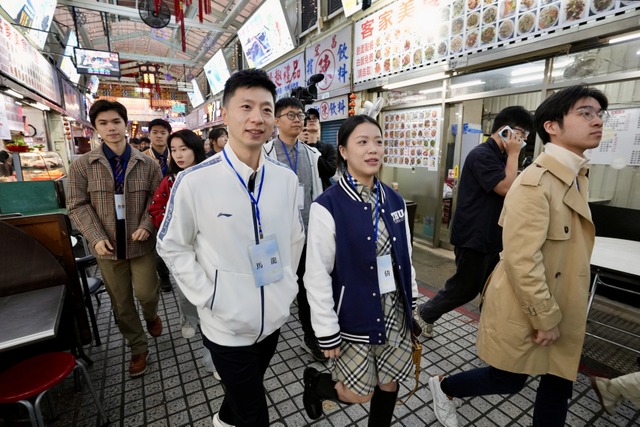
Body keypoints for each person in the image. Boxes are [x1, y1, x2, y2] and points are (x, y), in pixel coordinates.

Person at [428, 85, 609, 427]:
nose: (597, 121)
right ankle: (443, 383)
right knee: (508, 377)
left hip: (557, 301)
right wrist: (544, 316)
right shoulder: (529, 179)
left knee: (557, 384)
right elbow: (521, 259)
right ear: (552, 126)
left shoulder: (575, 177)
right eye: (586, 113)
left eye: (600, 114)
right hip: (519, 288)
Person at [156, 69, 305, 427]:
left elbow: (294, 238)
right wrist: (210, 297)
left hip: (272, 320)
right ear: (224, 115)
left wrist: (287, 288)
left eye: (266, 109)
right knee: (255, 413)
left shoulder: (286, 180)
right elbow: (172, 245)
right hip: (225, 326)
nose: (257, 118)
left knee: (242, 394)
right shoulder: (195, 181)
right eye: (246, 107)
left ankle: (222, 420)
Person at [302, 115, 419, 426]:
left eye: (378, 142)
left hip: (392, 307)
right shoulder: (327, 205)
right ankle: (317, 385)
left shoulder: (393, 198)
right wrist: (326, 331)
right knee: (359, 393)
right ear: (343, 151)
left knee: (389, 381)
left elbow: (405, 255)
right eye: (363, 142)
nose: (373, 150)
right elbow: (316, 274)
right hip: (354, 312)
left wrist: (414, 301)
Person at [414, 106, 534, 337]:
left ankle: (491, 329)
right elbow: (507, 188)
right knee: (466, 287)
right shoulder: (483, 155)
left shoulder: (500, 157)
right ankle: (425, 312)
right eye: (522, 132)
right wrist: (514, 154)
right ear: (505, 130)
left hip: (491, 234)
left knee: (491, 286)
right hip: (474, 235)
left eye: (527, 134)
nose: (524, 139)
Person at [66, 99, 163, 377]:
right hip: (106, 247)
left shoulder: (147, 163)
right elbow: (77, 204)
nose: (111, 128)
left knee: (146, 293)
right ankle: (138, 347)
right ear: (96, 128)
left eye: (116, 122)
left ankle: (152, 314)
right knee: (121, 303)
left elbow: (157, 199)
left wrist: (147, 224)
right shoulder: (83, 165)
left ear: (125, 124)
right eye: (103, 123)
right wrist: (95, 237)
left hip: (140, 242)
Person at [148, 129, 220, 379]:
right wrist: (174, 225)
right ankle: (187, 319)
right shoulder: (169, 181)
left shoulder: (213, 175)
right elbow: (155, 209)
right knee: (189, 294)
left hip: (211, 250)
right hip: (184, 252)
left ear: (196, 149)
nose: (178, 155)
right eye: (174, 150)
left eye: (184, 149)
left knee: (211, 305)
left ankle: (213, 359)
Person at [263, 97, 326, 362]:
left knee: (307, 288)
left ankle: (311, 338)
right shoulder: (263, 153)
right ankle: (262, 336)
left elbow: (317, 193)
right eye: (291, 114)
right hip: (273, 237)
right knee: (269, 287)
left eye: (300, 115)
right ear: (276, 120)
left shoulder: (313, 154)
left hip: (307, 234)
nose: (298, 119)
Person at [143, 118, 173, 293]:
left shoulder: (176, 153)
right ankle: (164, 277)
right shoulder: (142, 157)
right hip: (152, 207)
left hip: (174, 206)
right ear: (150, 135)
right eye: (155, 132)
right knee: (157, 244)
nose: (159, 136)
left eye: (163, 132)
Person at [299, 108, 337, 190]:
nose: (312, 120)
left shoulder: (327, 148)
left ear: (319, 124)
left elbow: (330, 171)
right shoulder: (298, 147)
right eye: (308, 119)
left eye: (315, 118)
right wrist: (299, 144)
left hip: (322, 193)